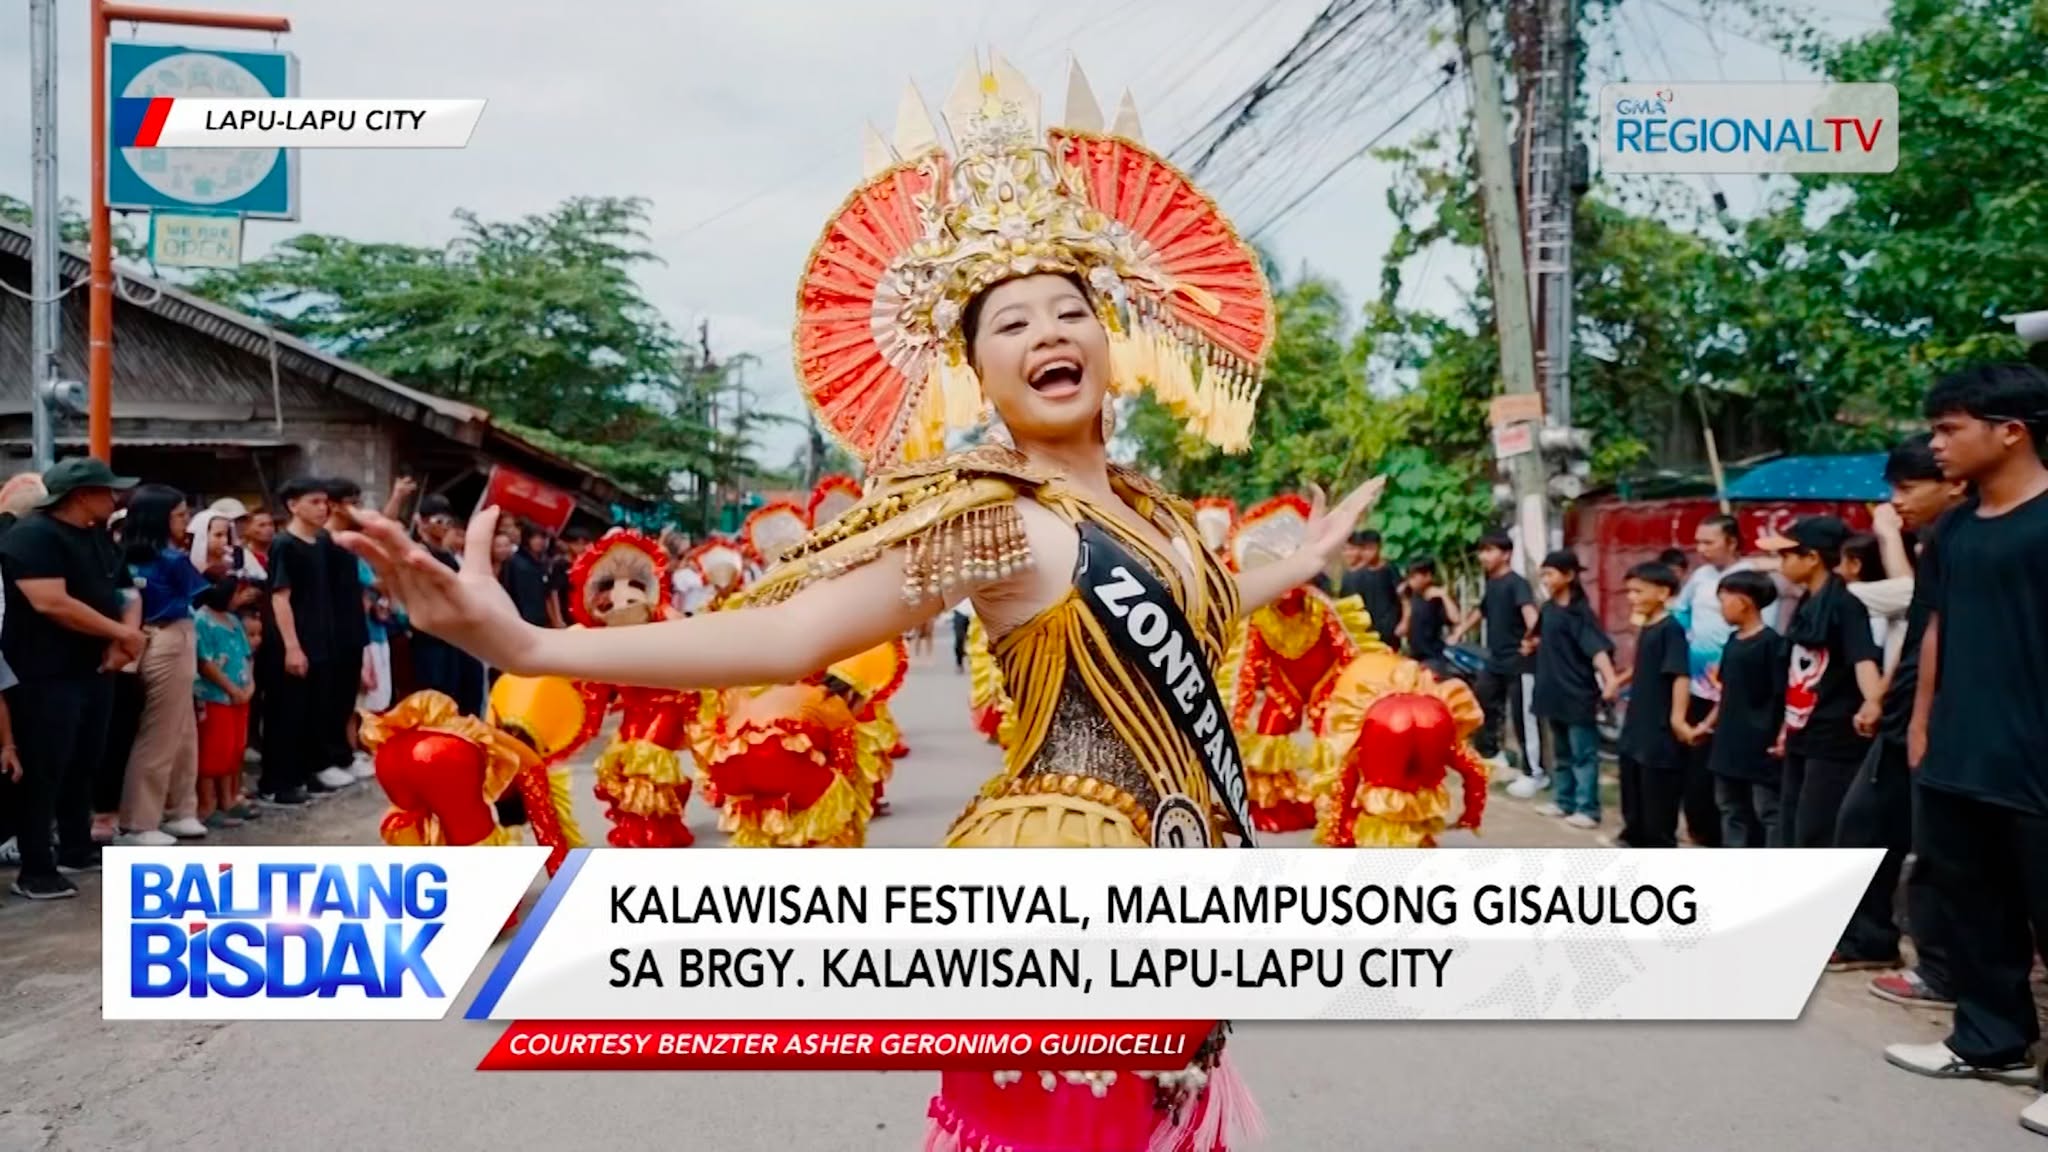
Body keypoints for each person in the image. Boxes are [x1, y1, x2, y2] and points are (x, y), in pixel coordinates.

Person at [339, 56, 1384, 1152]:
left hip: (1176, 881)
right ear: (977, 376)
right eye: (1010, 324)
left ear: (1108, 344)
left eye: (1068, 311)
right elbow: (795, 631)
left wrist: (1299, 562)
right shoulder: (995, 518)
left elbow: (1212, 596)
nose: (1046, 335)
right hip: (1055, 879)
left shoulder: (1155, 517)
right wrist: (531, 642)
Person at [1885, 364, 2048, 1132]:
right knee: (1972, 902)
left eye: (1950, 428)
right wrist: (1923, 722)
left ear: (2010, 430)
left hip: (2035, 752)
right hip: (1960, 747)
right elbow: (1938, 627)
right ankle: (1991, 1041)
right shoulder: (1952, 529)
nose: (1935, 444)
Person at [1835, 434, 1965, 984]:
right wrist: (1887, 696)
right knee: (1861, 824)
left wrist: (1889, 538)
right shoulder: (1939, 540)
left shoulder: (1967, 539)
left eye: (1908, 487)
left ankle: (1941, 972)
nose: (1896, 502)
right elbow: (1917, 632)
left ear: (1953, 483)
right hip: (1904, 710)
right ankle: (1869, 939)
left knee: (1937, 851)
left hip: (1943, 718)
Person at [0, 457, 143, 899]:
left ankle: (76, 847)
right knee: (45, 767)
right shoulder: (31, 536)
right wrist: (122, 633)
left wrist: (123, 640)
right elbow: (51, 603)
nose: (116, 498)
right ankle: (36, 867)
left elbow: (122, 588)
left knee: (85, 760)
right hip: (44, 672)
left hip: (94, 667)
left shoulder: (95, 535)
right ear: (81, 496)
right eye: (108, 490)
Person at [1760, 516, 1882, 849]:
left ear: (1812, 557)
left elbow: (1863, 658)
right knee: (1791, 821)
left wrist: (1873, 701)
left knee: (1817, 829)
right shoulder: (1806, 603)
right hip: (1802, 731)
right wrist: (1787, 728)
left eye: (1787, 555)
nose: (1780, 563)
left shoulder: (1846, 605)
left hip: (1834, 738)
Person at [114, 485, 215, 845]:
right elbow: (206, 594)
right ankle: (139, 821)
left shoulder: (124, 554)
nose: (185, 522)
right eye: (179, 515)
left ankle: (179, 809)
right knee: (160, 731)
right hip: (170, 637)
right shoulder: (172, 559)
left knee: (182, 729)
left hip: (147, 636)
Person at [1674, 514, 1779, 849]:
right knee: (1713, 787)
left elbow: (1776, 692)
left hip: (1752, 716)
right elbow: (1681, 612)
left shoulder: (1753, 582)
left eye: (1709, 541)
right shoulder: (1700, 577)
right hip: (1708, 696)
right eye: (1698, 541)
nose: (1701, 549)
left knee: (1761, 805)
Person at [259, 478, 354, 805]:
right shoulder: (285, 544)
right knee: (287, 712)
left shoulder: (321, 543)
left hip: (322, 639)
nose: (322, 508)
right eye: (314, 501)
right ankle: (278, 781)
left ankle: (307, 771)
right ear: (292, 505)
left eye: (325, 501)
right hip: (292, 641)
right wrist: (292, 646)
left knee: (315, 710)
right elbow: (280, 598)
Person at [1527, 550, 1617, 831]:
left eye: (1550, 573)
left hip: (1577, 692)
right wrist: (1530, 646)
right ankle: (1563, 800)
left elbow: (1598, 650)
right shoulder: (1548, 609)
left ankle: (1587, 808)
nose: (1546, 579)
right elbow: (1538, 637)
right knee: (1562, 752)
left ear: (1569, 576)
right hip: (1551, 690)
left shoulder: (1580, 613)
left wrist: (1611, 680)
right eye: (1544, 574)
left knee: (1583, 754)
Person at [1701, 570, 1786, 847]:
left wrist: (1782, 735)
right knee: (1729, 806)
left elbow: (1782, 695)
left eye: (1724, 600)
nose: (1720, 608)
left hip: (1760, 743)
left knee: (1767, 811)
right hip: (1728, 740)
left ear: (1744, 602)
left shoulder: (1772, 644)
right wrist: (1707, 725)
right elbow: (1726, 693)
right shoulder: (1732, 642)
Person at [1615, 561, 1696, 849]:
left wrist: (1677, 718)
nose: (1632, 598)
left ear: (1663, 592)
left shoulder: (1670, 629)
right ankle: (1633, 835)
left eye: (1639, 591)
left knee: (1656, 792)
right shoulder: (1647, 627)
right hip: (1638, 720)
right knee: (1632, 782)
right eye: (1630, 591)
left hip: (1658, 725)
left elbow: (1680, 675)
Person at [1452, 531, 1537, 789]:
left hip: (1518, 662)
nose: (1483, 557)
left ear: (1506, 554)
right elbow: (1481, 610)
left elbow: (1530, 614)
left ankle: (1534, 772)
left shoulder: (1517, 583)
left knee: (1524, 717)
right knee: (1483, 702)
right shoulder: (1492, 583)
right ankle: (1492, 754)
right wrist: (1459, 631)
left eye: (1489, 551)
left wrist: (1533, 638)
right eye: (1482, 551)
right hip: (1495, 659)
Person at [193, 577, 259, 827]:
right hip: (215, 696)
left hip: (240, 695)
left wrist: (249, 685)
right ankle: (208, 805)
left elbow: (246, 654)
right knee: (212, 752)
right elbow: (205, 661)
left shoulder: (233, 621)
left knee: (233, 749)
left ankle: (229, 799)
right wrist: (231, 688)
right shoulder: (202, 620)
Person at [1338, 529, 1404, 644]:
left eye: (1371, 548)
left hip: (1390, 629)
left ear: (1379, 548)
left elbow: (1403, 597)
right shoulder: (1353, 576)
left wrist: (1403, 622)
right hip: (1366, 632)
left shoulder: (1390, 569)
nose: (1368, 553)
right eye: (1364, 549)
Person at [1400, 557, 1458, 675]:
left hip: (1433, 657)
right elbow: (1401, 630)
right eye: (1409, 577)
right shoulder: (1412, 598)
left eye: (1414, 577)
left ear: (1428, 576)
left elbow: (1455, 618)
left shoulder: (1437, 599)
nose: (1411, 581)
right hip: (1414, 656)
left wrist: (1444, 596)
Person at [501, 522, 555, 628]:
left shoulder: (542, 562)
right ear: (526, 539)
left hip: (540, 618)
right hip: (521, 619)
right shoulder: (515, 562)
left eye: (542, 538)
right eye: (534, 538)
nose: (539, 541)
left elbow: (546, 593)